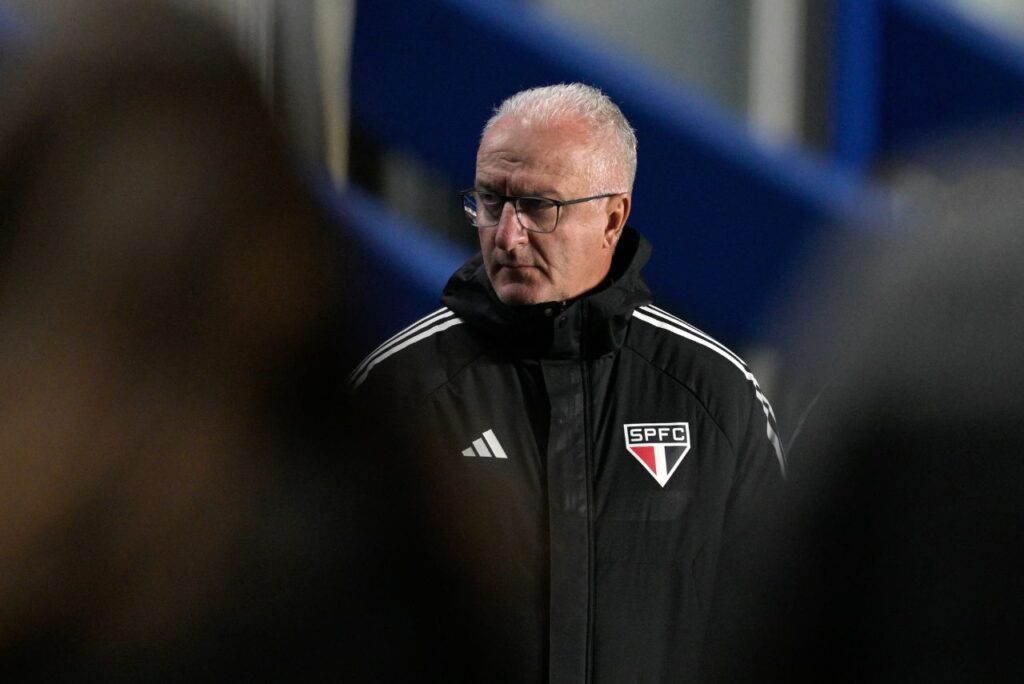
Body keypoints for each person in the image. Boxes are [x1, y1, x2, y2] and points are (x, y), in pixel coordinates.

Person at [351, 83, 786, 682]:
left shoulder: (715, 395)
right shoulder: (395, 393)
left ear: (612, 218)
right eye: (489, 201)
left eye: (537, 206)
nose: (506, 235)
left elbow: (789, 629)